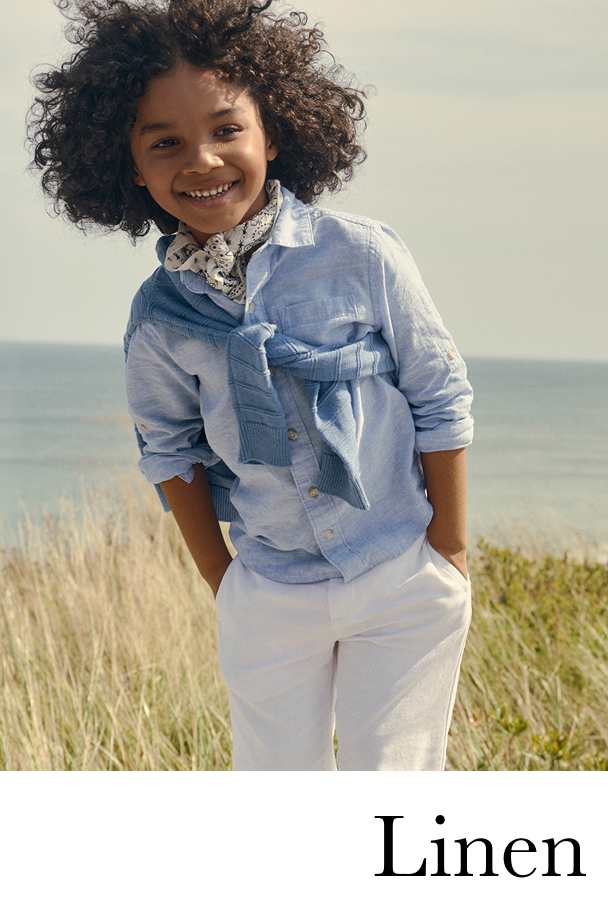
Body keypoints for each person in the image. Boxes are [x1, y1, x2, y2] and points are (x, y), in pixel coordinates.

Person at [28, 0, 474, 770]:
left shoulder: (363, 255)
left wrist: (448, 551)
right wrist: (225, 582)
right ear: (129, 166)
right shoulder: (159, 317)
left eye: (226, 129)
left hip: (400, 572)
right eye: (165, 142)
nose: (201, 160)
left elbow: (439, 394)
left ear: (273, 129)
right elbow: (168, 452)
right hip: (269, 591)